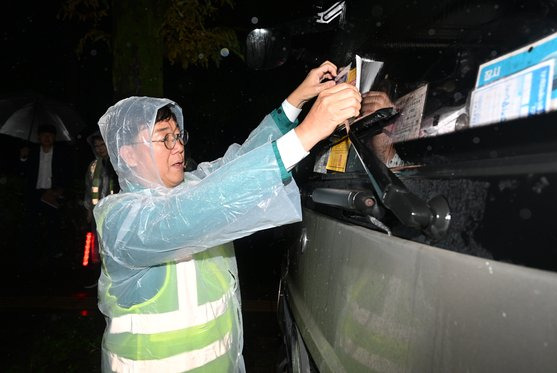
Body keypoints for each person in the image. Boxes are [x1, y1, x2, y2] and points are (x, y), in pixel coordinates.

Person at [93, 61, 361, 372]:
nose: (178, 146)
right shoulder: (120, 220)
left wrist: (295, 102)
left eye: (179, 136)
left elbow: (240, 163)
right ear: (128, 154)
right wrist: (306, 135)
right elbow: (195, 211)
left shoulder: (191, 185)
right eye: (164, 137)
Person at [19, 124, 72, 272]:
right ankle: (32, 256)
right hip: (35, 194)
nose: (47, 138)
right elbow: (22, 173)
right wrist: (23, 157)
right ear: (38, 137)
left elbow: (67, 174)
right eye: (44, 135)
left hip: (52, 193)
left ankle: (53, 256)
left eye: (50, 135)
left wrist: (60, 190)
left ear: (54, 137)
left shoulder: (61, 153)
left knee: (52, 225)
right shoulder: (32, 153)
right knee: (32, 225)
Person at [83, 132, 119, 287]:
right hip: (98, 214)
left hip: (115, 213)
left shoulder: (118, 163)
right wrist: (88, 211)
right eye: (96, 146)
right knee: (98, 247)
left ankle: (115, 279)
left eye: (102, 145)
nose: (99, 149)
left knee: (114, 246)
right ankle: (100, 279)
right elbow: (88, 189)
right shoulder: (93, 167)